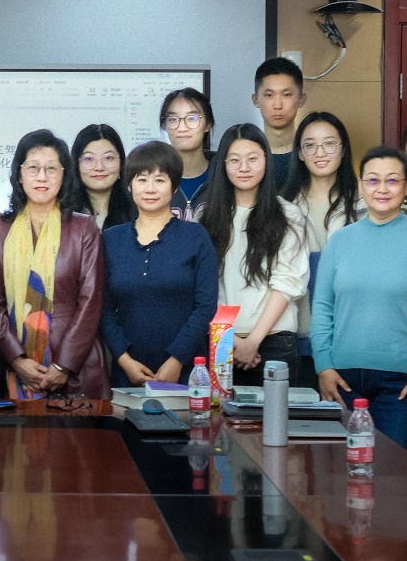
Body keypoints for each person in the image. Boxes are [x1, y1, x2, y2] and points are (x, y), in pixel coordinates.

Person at [310, 146, 407, 450]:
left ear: (406, 186)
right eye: (373, 180)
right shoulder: (340, 241)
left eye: (392, 180)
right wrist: (323, 366)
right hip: (341, 379)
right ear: (361, 185)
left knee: (393, 471)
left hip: (401, 385)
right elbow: (321, 307)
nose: (382, 189)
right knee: (341, 470)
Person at [0, 129, 108, 400]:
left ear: (63, 175)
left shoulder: (84, 228)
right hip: (14, 361)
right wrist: (17, 359)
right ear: (19, 175)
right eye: (33, 168)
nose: (42, 177)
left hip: (76, 364)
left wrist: (63, 365)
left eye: (51, 168)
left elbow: (91, 301)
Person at [101, 141, 218, 388]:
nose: (150, 189)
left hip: (186, 371)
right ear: (129, 185)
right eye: (142, 180)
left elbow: (205, 306)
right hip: (127, 372)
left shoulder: (196, 236)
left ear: (174, 186)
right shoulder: (110, 239)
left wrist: (176, 360)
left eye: (160, 180)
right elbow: (103, 309)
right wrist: (124, 361)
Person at [199, 125, 308, 386]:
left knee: (274, 413)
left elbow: (288, 282)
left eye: (252, 158)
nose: (244, 168)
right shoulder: (206, 217)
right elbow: (202, 286)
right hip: (221, 338)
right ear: (223, 165)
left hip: (275, 340)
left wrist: (253, 341)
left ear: (266, 161)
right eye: (234, 160)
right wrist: (233, 341)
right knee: (219, 412)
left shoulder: (288, 215)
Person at [280, 111, 366, 390]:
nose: (320, 153)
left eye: (329, 144)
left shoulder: (366, 205)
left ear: (343, 149)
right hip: (296, 336)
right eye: (310, 145)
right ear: (299, 153)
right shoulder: (282, 208)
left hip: (351, 337)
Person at [159, 87, 216, 221]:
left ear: (208, 124)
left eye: (192, 118)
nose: (182, 127)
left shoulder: (224, 173)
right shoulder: (152, 178)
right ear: (165, 125)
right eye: (173, 119)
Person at [251, 57, 307, 189]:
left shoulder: (313, 155)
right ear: (255, 99)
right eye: (269, 95)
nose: (277, 105)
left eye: (286, 95)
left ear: (301, 99)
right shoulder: (246, 158)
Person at [69, 124, 133, 230]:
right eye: (89, 159)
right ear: (76, 164)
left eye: (108, 158)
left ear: (121, 163)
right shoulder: (63, 214)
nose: (99, 167)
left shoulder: (138, 211)